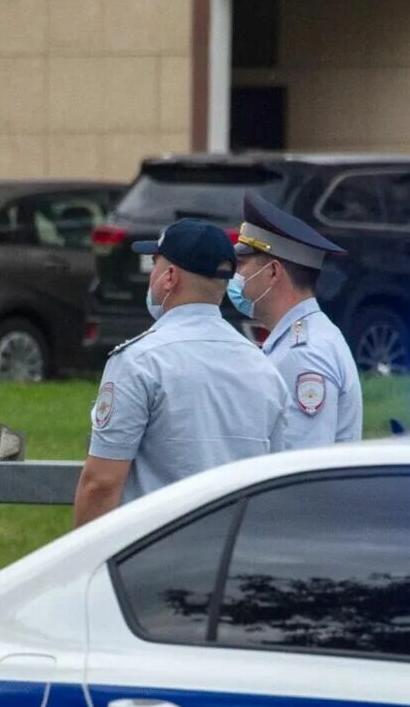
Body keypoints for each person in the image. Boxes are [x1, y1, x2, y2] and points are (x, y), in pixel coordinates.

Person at [73, 219, 291, 527]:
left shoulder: (139, 361)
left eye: (155, 264)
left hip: (156, 556)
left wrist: (84, 564)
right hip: (231, 558)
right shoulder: (263, 367)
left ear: (170, 277)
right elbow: (272, 481)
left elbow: (102, 483)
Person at [229, 192, 363, 448]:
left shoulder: (302, 355)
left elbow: (301, 465)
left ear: (272, 272)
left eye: (242, 265)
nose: (236, 277)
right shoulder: (299, 340)